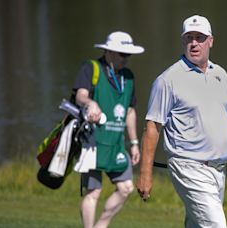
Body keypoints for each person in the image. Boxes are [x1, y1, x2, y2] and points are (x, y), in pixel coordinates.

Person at [136, 15, 227, 227]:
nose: (194, 43)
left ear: (211, 41)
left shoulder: (220, 75)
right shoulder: (167, 80)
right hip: (188, 166)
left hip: (218, 171)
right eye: (189, 38)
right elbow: (152, 127)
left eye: (200, 37)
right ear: (183, 41)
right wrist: (145, 173)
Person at [73, 31, 143, 228]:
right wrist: (90, 103)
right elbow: (80, 96)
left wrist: (135, 143)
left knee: (126, 188)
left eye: (128, 55)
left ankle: (101, 225)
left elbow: (130, 112)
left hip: (116, 143)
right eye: (122, 54)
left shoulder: (128, 77)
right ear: (109, 52)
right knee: (93, 192)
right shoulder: (91, 68)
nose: (126, 59)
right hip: (92, 141)